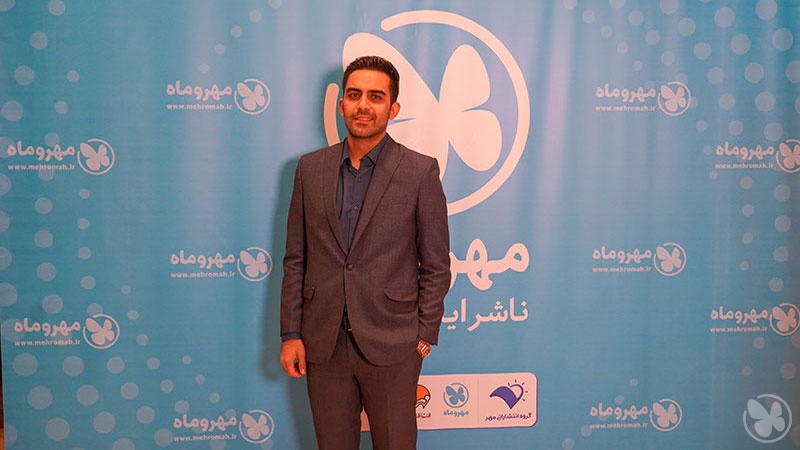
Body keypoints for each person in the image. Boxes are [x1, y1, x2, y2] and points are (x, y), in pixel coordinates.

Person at [279, 55, 451, 450]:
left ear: (393, 108)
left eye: (376, 96)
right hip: (323, 345)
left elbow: (436, 265)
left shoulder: (419, 172)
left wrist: (422, 338)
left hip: (394, 345)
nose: (363, 105)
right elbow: (296, 259)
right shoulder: (309, 169)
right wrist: (291, 333)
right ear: (341, 105)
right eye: (354, 95)